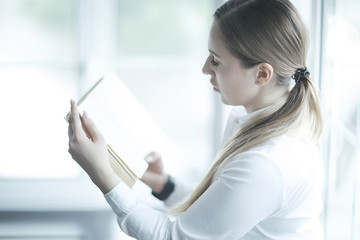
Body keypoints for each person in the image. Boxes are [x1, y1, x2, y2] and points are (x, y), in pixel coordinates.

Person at [67, 0, 324, 239]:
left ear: (261, 74)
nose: (205, 69)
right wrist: (165, 185)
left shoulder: (267, 163)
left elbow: (171, 236)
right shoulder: (253, 121)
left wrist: (102, 174)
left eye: (216, 61)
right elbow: (221, 209)